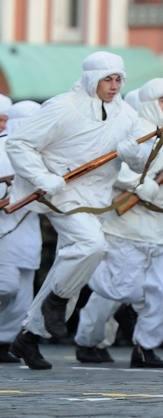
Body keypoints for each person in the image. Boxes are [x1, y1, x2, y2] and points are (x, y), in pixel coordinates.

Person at [7, 52, 149, 369]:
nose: (114, 86)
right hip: (61, 192)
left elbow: (139, 161)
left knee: (73, 261)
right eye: (107, 79)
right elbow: (18, 143)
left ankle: (29, 337)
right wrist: (43, 178)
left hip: (95, 197)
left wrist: (133, 154)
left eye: (118, 80)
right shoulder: (62, 106)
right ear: (91, 79)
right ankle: (56, 302)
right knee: (91, 245)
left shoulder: (126, 114)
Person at [73, 78, 163, 368]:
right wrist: (138, 184)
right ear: (151, 103)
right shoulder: (133, 130)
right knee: (117, 290)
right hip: (128, 229)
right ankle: (86, 334)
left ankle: (145, 347)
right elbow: (111, 166)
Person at [0, 100, 40, 363]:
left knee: (24, 296)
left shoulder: (44, 153)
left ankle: (3, 342)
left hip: (30, 232)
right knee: (6, 287)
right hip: (3, 233)